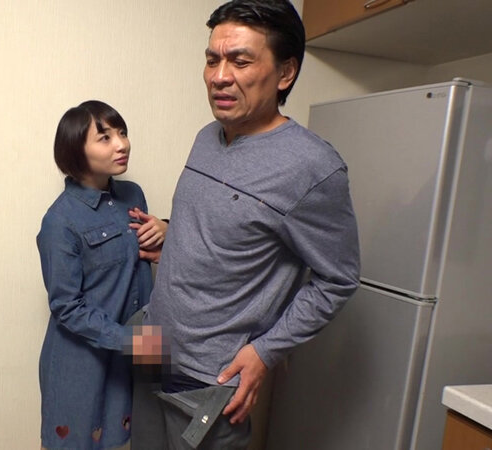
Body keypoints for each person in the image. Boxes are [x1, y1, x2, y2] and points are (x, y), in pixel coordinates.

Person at [137, 1, 361, 448]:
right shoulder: (207, 136)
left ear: (285, 73)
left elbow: (338, 279)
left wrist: (264, 351)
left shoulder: (312, 168)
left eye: (240, 61)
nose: (219, 76)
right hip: (151, 346)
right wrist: (175, 242)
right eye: (212, 60)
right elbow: (227, 224)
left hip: (208, 378)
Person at [36, 100, 167, 450]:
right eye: (105, 137)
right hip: (81, 363)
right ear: (75, 149)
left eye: (122, 133)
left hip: (131, 359)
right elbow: (66, 307)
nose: (122, 144)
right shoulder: (59, 221)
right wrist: (133, 342)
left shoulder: (133, 195)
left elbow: (141, 256)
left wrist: (166, 229)